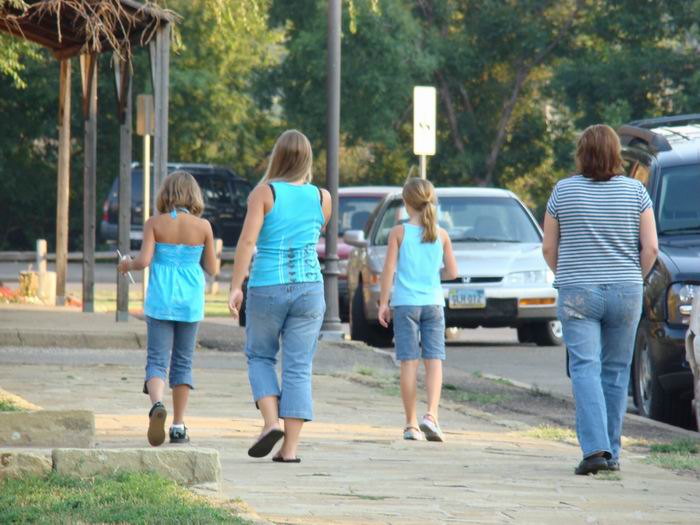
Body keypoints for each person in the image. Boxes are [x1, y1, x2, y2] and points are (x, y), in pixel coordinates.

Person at [542, 124, 658, 475]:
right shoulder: (635, 192)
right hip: (625, 291)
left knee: (584, 367)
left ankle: (595, 450)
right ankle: (613, 452)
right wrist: (633, 279)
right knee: (616, 370)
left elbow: (548, 246)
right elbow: (651, 247)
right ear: (615, 154)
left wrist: (565, 272)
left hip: (578, 292)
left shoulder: (563, 191)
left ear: (582, 153)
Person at [228, 129, 331, 463]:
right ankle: (290, 450)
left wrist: (235, 286)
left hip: (267, 286)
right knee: (299, 365)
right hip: (310, 289)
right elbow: (315, 232)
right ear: (307, 159)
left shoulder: (264, 193)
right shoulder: (322, 197)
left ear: (278, 157)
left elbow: (246, 242)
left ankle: (271, 423)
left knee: (260, 356)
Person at [118, 171, 217, 446]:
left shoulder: (154, 223)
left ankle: (157, 405)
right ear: (193, 195)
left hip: (161, 300)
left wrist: (126, 263)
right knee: (183, 362)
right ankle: (178, 425)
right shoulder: (203, 226)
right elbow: (212, 268)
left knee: (157, 359)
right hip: (190, 302)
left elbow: (144, 260)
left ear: (166, 195)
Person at [377, 178, 458, 442]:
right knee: (434, 361)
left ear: (406, 202)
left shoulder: (398, 233)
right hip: (433, 303)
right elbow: (453, 272)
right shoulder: (441, 234)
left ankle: (411, 424)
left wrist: (383, 303)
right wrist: (433, 276)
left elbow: (388, 270)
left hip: (405, 304)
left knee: (408, 363)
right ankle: (432, 417)